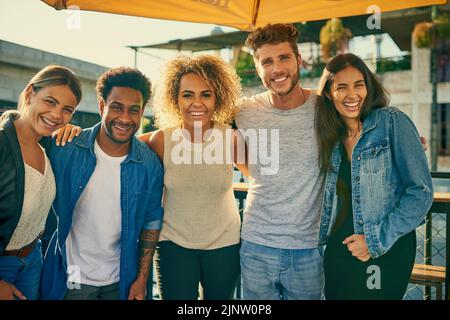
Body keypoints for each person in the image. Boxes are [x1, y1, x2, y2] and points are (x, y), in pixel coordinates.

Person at [39, 67, 164, 300]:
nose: (125, 118)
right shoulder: (66, 147)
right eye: (116, 107)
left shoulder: (149, 164)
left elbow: (152, 219)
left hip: (121, 280)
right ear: (101, 106)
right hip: (73, 274)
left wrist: (141, 279)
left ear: (142, 112)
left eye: (133, 110)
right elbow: (27, 131)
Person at [315, 53, 433, 299]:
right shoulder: (330, 137)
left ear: (368, 87)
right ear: (328, 93)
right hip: (340, 248)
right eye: (341, 87)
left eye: (359, 85)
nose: (352, 95)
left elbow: (420, 192)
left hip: (386, 248)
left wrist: (374, 240)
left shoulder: (392, 122)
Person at [139, 55, 243, 300]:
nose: (197, 103)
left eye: (206, 94)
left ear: (218, 98)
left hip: (224, 246)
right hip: (173, 245)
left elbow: (263, 179)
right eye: (188, 95)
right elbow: (118, 146)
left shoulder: (232, 138)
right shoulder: (161, 140)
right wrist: (80, 133)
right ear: (175, 99)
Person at [235, 23, 324, 300]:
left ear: (298, 60)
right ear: (258, 68)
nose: (276, 69)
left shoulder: (325, 108)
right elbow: (192, 124)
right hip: (255, 244)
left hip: (308, 249)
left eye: (284, 58)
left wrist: (404, 139)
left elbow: (367, 125)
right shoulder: (243, 111)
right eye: (267, 62)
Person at [0, 65, 82, 300]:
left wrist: (73, 131)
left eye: (67, 110)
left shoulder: (49, 147)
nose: (57, 115)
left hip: (34, 259)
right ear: (29, 94)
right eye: (50, 101)